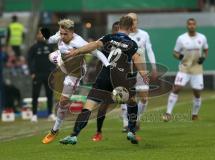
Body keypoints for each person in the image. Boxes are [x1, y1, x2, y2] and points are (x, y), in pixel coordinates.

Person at [59, 16, 148, 145]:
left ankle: (74, 135)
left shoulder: (108, 38)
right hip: (120, 78)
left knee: (88, 107)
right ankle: (131, 131)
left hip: (104, 76)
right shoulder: (132, 44)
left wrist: (76, 51)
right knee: (132, 102)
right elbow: (137, 58)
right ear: (131, 28)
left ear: (118, 27)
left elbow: (93, 45)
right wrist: (144, 74)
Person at [41, 19, 110, 144]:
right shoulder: (59, 35)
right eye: (61, 33)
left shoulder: (79, 42)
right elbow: (51, 39)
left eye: (65, 34)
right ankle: (55, 131)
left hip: (75, 73)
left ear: (72, 32)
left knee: (63, 102)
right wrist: (46, 36)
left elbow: (97, 53)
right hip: (65, 66)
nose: (62, 36)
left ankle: (54, 130)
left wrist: (107, 65)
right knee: (51, 56)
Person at [162, 18, 208, 121]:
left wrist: (203, 57)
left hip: (197, 69)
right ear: (187, 26)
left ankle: (194, 115)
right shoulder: (181, 38)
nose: (191, 26)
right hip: (184, 68)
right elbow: (175, 52)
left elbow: (206, 49)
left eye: (193, 24)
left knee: (197, 92)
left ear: (196, 25)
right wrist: (180, 57)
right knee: (177, 88)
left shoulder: (202, 38)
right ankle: (168, 113)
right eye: (190, 24)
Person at [121, 13, 157, 132]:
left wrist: (154, 66)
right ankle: (126, 123)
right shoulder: (123, 35)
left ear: (137, 21)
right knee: (126, 97)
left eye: (135, 20)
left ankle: (137, 120)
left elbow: (149, 50)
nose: (133, 22)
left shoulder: (144, 34)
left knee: (144, 98)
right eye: (131, 20)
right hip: (127, 70)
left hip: (141, 69)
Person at [91, 21, 120, 142]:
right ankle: (98, 132)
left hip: (122, 77)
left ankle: (132, 131)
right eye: (116, 30)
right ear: (113, 30)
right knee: (104, 105)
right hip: (107, 77)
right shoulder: (106, 41)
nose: (119, 32)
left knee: (131, 102)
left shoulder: (127, 42)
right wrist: (98, 75)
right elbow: (99, 59)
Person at [27, 29, 55, 122]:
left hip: (48, 74)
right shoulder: (33, 48)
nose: (41, 36)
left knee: (49, 94)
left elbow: (54, 60)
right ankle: (34, 115)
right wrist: (32, 72)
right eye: (39, 34)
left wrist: (53, 72)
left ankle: (50, 114)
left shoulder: (49, 47)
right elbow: (29, 61)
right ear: (36, 36)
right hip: (37, 74)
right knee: (35, 94)